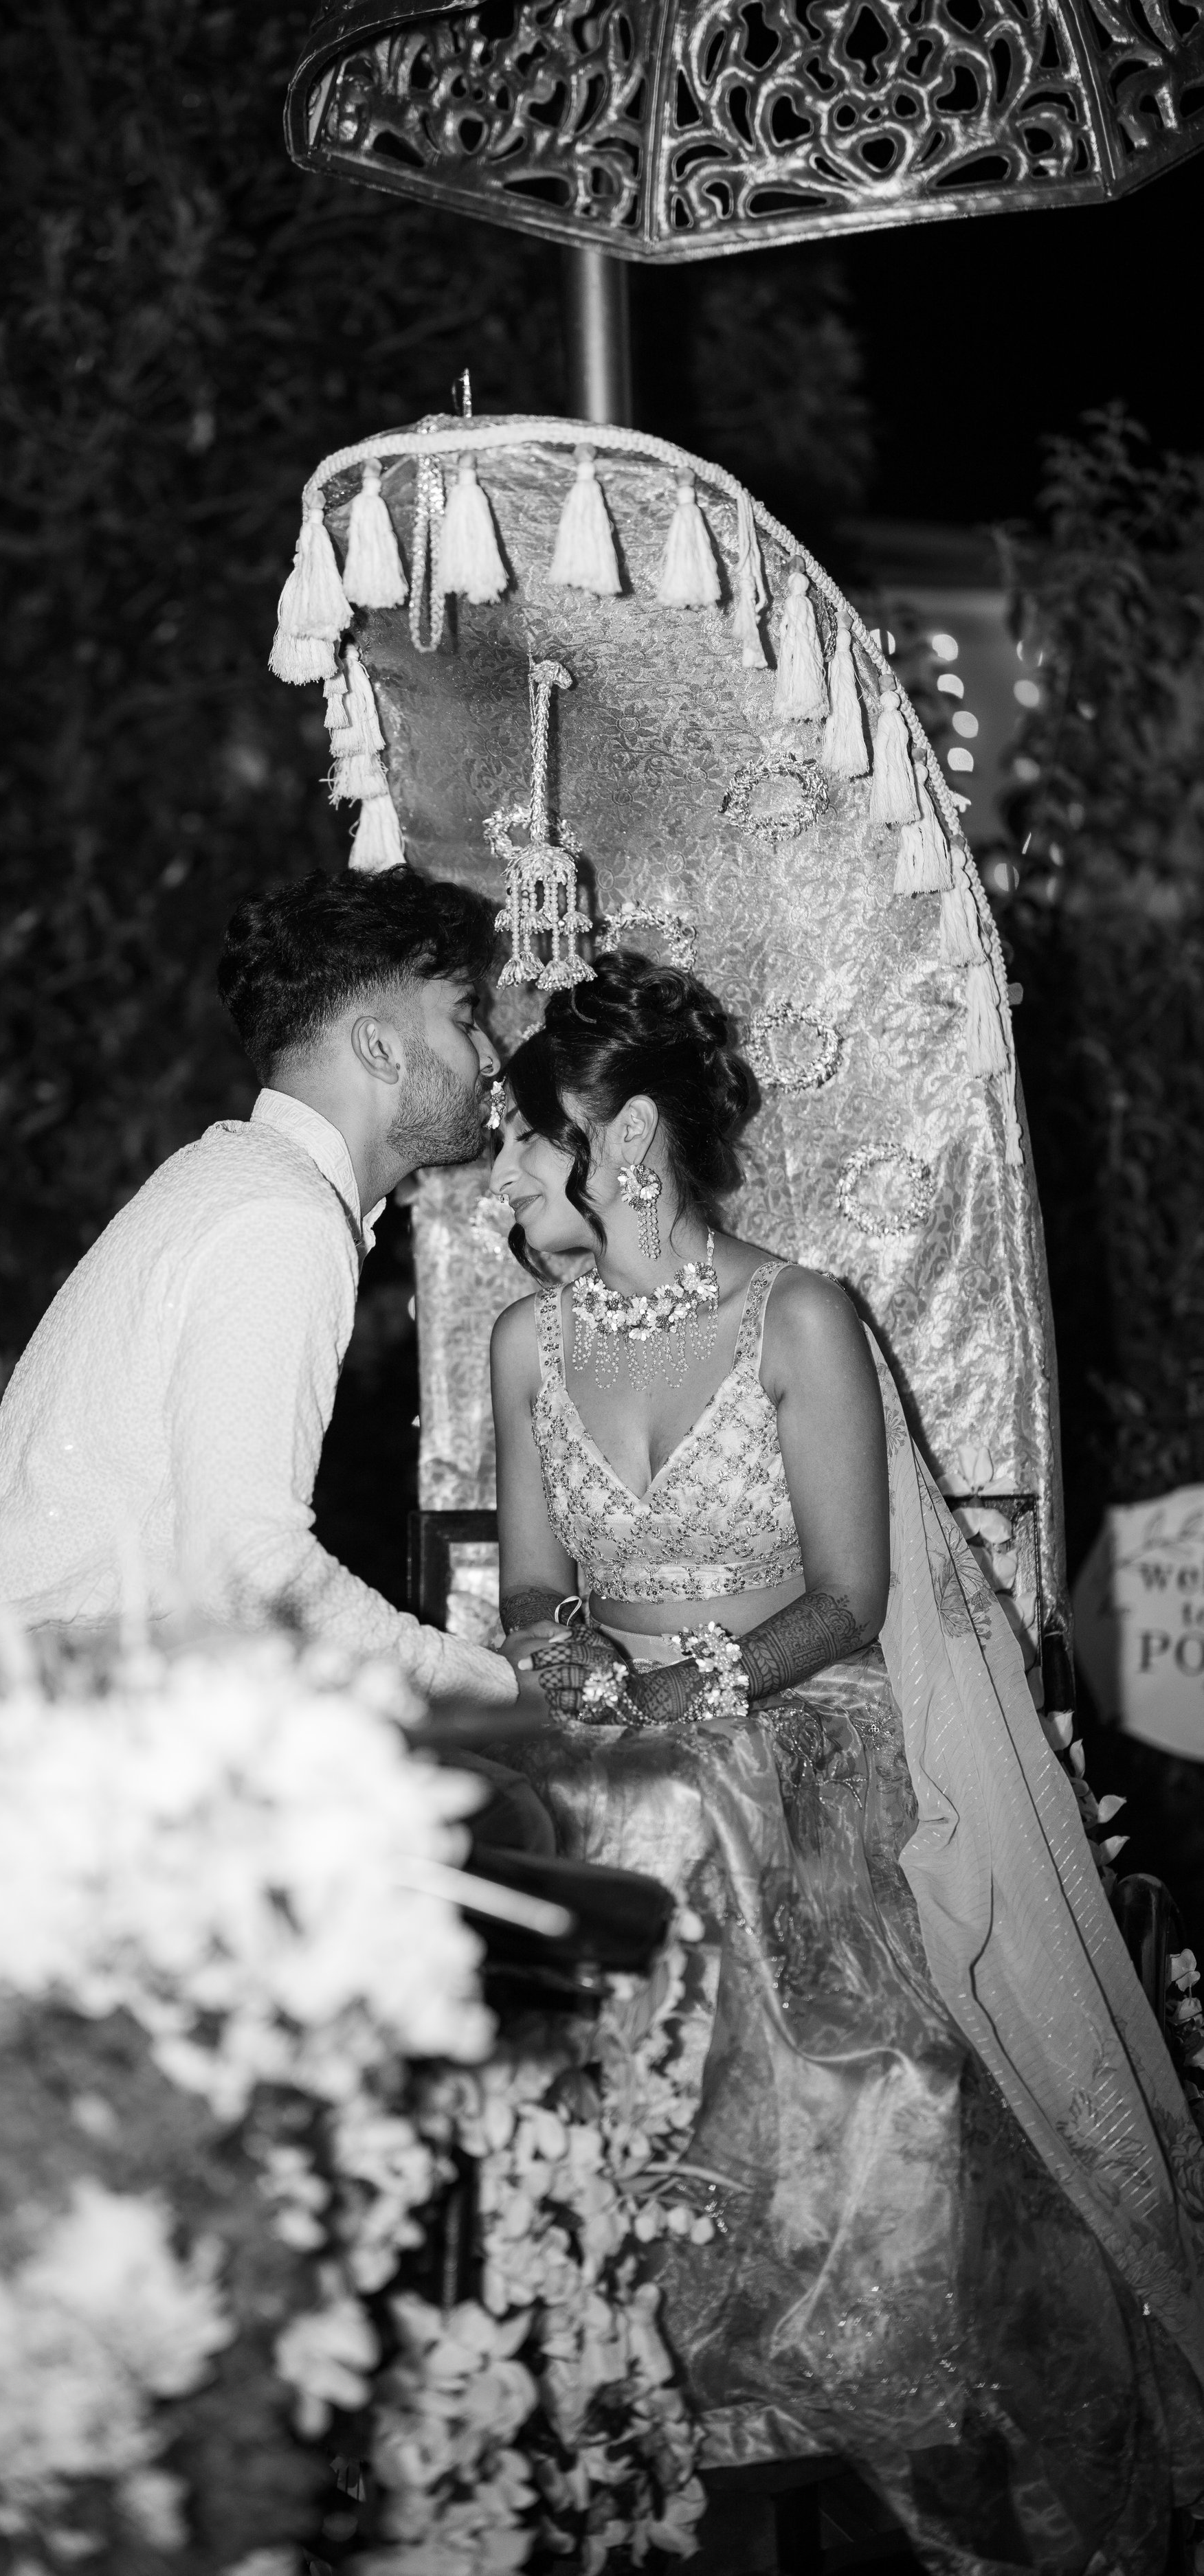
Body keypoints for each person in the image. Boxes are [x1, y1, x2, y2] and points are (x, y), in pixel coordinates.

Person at [487, 949, 1204, 2565]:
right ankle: (598, 2353)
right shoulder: (529, 1342)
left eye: (534, 1134)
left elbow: (851, 1597)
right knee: (551, 1828)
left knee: (692, 1821)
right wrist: (565, 1646)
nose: (512, 1167)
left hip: (798, 1717)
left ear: (633, 1140)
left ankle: (832, 2340)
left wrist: (711, 1686)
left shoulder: (795, 1314)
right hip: (626, 1735)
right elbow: (534, 1581)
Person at [0, 867, 517, 1724]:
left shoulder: (236, 1179)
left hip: (49, 1718)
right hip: (55, 1746)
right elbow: (248, 1569)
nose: (490, 1057)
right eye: (463, 1019)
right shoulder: (279, 1218)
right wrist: (497, 1686)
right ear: (379, 1047)